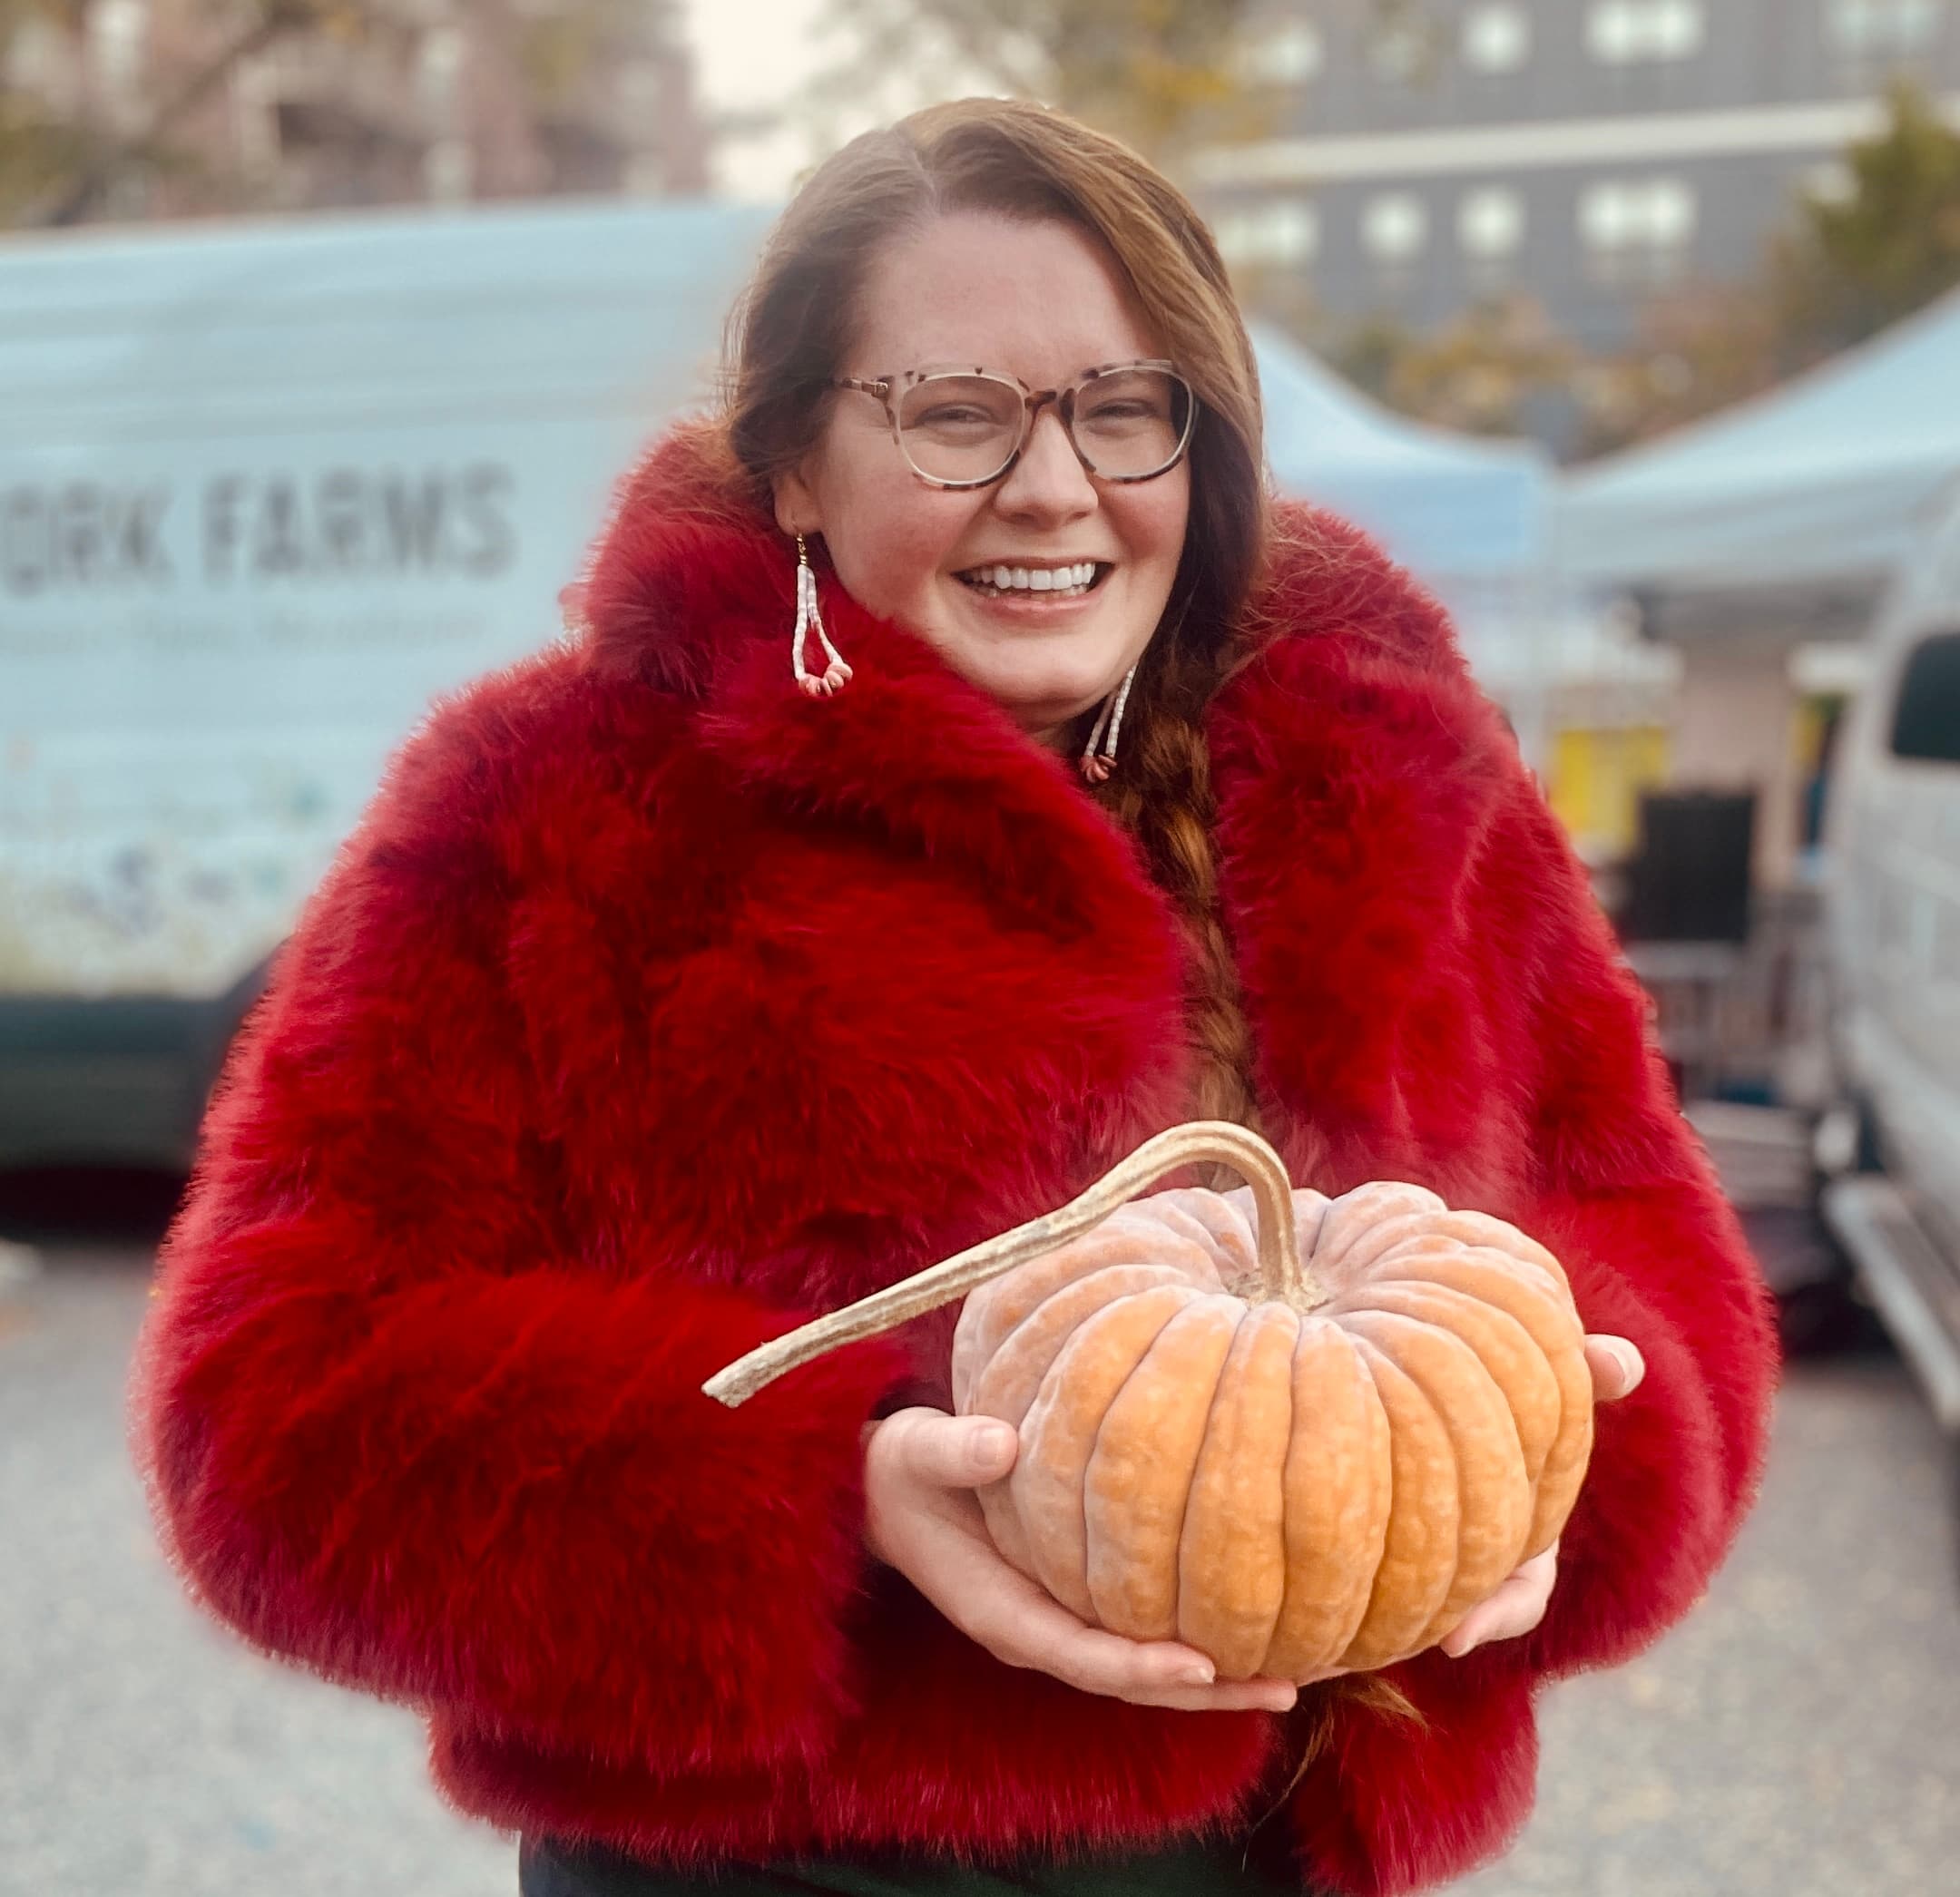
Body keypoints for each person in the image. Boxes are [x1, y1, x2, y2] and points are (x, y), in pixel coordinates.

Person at [132, 99, 1779, 1897]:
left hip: (1269, 1861)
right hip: (775, 1870)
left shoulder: (1392, 777)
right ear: (791, 461)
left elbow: (1640, 1219)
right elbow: (266, 1405)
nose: (1054, 487)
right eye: (955, 413)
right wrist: (823, 1501)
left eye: (1121, 406)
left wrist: (1559, 1446)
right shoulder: (554, 807)